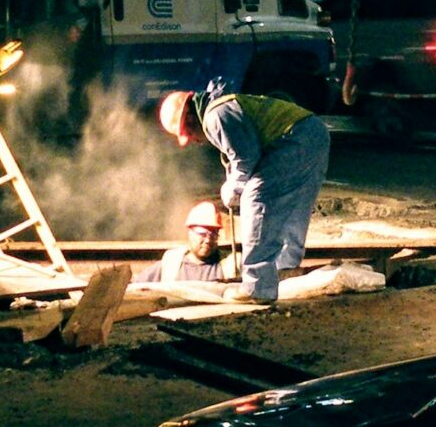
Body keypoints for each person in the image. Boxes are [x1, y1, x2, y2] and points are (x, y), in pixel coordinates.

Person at [159, 80, 330, 305]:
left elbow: (246, 159)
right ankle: (286, 273)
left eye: (190, 136)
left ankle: (257, 287)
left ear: (190, 120)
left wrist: (233, 188)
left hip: (293, 140)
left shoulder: (215, 116)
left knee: (256, 198)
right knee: (293, 204)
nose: (196, 142)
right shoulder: (221, 107)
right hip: (314, 133)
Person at [137, 201, 230, 286]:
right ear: (190, 233)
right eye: (203, 234)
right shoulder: (171, 262)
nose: (208, 240)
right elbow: (136, 286)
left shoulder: (230, 264)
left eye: (213, 235)